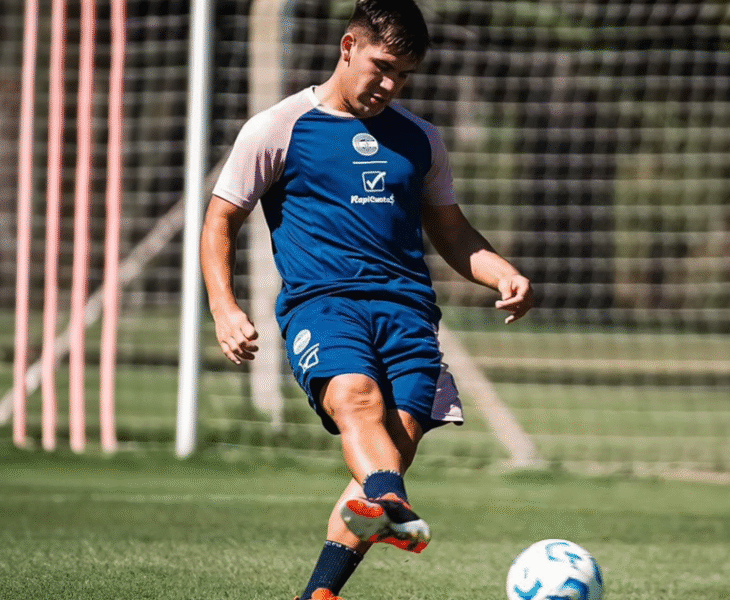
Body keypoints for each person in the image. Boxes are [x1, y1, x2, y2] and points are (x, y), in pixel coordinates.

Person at [199, 1, 534, 599]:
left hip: (409, 316)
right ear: (348, 46)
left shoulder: (421, 139)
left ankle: (321, 591)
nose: (390, 85)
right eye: (382, 66)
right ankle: (393, 505)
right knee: (357, 401)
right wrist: (224, 308)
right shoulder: (279, 127)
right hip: (323, 305)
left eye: (403, 75)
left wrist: (502, 273)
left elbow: (452, 231)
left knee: (383, 464)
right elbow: (221, 220)